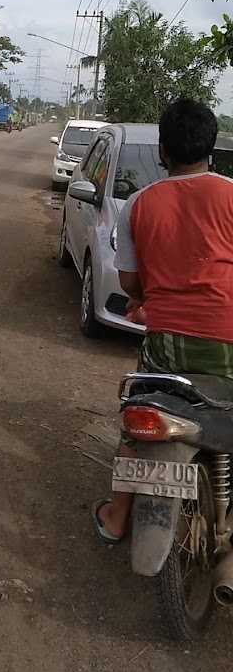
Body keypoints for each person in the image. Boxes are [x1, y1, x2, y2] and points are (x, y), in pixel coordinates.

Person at [93, 98, 233, 543]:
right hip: (227, 339)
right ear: (210, 147)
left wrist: (141, 300)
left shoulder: (140, 202)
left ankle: (116, 517)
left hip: (165, 340)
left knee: (141, 412)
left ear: (163, 151)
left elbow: (130, 280)